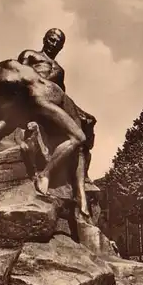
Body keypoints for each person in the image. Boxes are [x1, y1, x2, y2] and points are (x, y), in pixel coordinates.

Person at [0, 58, 86, 198]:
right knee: (79, 137)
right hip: (40, 99)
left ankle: (81, 200)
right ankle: (45, 175)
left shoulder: (0, 65)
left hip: (55, 91)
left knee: (83, 135)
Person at [17, 28, 96, 217]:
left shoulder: (60, 70)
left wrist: (82, 113)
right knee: (78, 136)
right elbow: (17, 80)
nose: (53, 43)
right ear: (45, 39)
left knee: (83, 132)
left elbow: (63, 96)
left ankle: (81, 194)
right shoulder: (30, 55)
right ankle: (47, 174)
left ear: (61, 46)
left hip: (56, 105)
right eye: (51, 39)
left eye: (58, 42)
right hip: (38, 103)